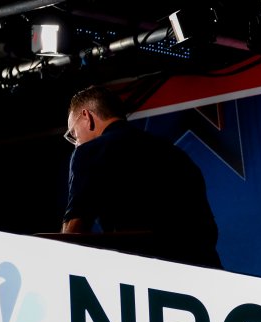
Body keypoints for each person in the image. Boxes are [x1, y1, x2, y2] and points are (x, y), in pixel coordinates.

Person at [61, 85, 222, 268]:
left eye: (74, 134)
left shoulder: (89, 152)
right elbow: (207, 229)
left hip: (142, 275)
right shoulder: (175, 153)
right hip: (201, 269)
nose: (76, 143)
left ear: (87, 117)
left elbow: (74, 232)